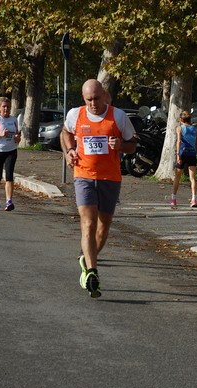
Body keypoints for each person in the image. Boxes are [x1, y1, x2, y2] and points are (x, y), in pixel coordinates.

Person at [60, 79, 137, 298]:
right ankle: (92, 272)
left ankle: (87, 257)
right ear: (84, 99)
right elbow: (65, 133)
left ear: (104, 94)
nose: (93, 103)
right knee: (89, 223)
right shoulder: (76, 114)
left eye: (96, 98)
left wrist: (121, 145)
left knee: (104, 226)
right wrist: (69, 151)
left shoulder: (119, 116)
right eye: (88, 99)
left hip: (110, 178)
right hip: (83, 176)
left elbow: (133, 144)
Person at [171, 111, 197, 208]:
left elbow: (179, 141)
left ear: (181, 120)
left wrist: (178, 154)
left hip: (183, 154)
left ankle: (174, 199)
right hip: (192, 154)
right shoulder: (195, 129)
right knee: (192, 178)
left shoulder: (179, 128)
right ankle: (194, 199)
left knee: (177, 177)